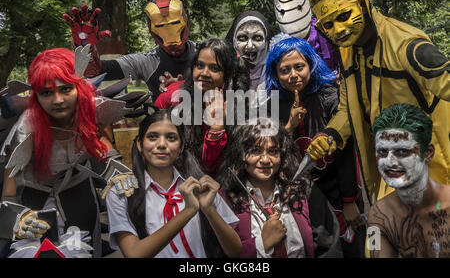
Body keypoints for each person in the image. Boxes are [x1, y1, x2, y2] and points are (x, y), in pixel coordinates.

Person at [306, 0, 450, 202]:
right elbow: (348, 107)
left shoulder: (406, 45)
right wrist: (330, 135)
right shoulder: (347, 53)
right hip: (388, 176)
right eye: (328, 25)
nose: (338, 30)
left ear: (362, 3)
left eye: (344, 16)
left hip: (431, 175)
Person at [0, 48, 137, 258]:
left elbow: (101, 143)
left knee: (86, 249)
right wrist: (15, 216)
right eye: (47, 92)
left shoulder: (92, 109)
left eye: (66, 89)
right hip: (34, 198)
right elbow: (9, 192)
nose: (58, 100)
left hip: (80, 191)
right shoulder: (26, 126)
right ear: (36, 96)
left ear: (79, 88)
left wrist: (115, 166)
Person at [264, 37, 366, 257]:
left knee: (352, 247)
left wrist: (349, 201)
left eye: (299, 67)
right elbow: (270, 153)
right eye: (284, 70)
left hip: (339, 190)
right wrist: (289, 126)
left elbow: (346, 153)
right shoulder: (272, 106)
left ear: (311, 64)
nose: (293, 75)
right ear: (275, 74)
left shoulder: (329, 97)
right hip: (301, 197)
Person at [105, 109, 242, 258]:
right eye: (152, 137)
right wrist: (188, 210)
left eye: (171, 138)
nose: (162, 144)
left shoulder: (200, 185)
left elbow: (234, 251)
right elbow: (134, 254)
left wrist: (209, 209)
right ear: (139, 144)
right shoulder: (122, 192)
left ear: (181, 146)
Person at [217, 117, 342, 258]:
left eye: (273, 151)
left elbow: (328, 245)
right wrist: (262, 243)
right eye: (256, 151)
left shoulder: (301, 190)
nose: (265, 160)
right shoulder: (226, 200)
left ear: (282, 154)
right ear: (241, 155)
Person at [63, 0, 196, 99]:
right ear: (152, 31)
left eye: (174, 28)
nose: (173, 44)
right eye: (162, 29)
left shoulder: (207, 53)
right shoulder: (146, 62)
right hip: (164, 128)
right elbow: (95, 72)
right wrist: (85, 44)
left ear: (185, 24)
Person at [154, 38, 249, 174]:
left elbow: (211, 166)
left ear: (227, 77)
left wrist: (217, 127)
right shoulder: (172, 98)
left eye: (214, 68)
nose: (204, 73)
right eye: (200, 65)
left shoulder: (234, 107)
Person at [367, 103, 450, 258]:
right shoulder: (378, 215)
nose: (390, 162)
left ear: (428, 153)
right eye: (382, 152)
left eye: (402, 152)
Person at [273, 0, 339, 75]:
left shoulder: (325, 33)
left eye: (298, 8)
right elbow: (274, 81)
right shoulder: (278, 46)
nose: (292, 15)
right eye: (283, 12)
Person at [225, 11, 272, 91]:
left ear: (266, 42)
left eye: (257, 38)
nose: (250, 46)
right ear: (234, 41)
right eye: (243, 38)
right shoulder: (224, 71)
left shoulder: (277, 71)